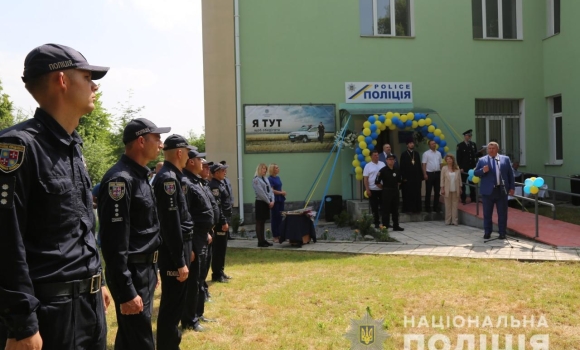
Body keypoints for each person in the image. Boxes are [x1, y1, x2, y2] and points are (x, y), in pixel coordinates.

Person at [0, 43, 110, 350]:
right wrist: (22, 324)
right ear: (62, 80)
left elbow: (81, 225)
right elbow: (7, 240)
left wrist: (95, 278)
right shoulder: (17, 148)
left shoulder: (73, 146)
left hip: (88, 305)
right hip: (50, 314)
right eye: (88, 76)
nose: (95, 85)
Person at [98, 118, 169, 350]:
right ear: (141, 141)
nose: (161, 144)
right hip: (131, 273)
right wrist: (127, 290)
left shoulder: (140, 176)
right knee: (141, 342)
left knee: (131, 339)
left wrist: (153, 268)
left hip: (144, 270)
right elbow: (113, 241)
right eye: (157, 138)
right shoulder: (120, 179)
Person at [152, 134, 194, 347]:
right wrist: (179, 261)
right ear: (179, 152)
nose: (189, 157)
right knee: (171, 306)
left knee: (176, 304)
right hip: (172, 252)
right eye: (187, 152)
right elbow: (170, 224)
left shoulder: (174, 176)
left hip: (181, 246)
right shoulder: (168, 178)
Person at [181, 147, 215, 332]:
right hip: (193, 238)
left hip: (202, 235)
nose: (203, 163)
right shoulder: (185, 182)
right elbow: (186, 214)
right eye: (199, 159)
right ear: (191, 161)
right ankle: (189, 319)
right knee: (194, 280)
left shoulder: (196, 181)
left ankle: (197, 314)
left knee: (200, 277)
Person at [474, 142, 515, 239]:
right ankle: (487, 232)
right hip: (488, 192)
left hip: (501, 190)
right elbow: (476, 173)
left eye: (493, 148)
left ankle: (502, 232)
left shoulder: (505, 159)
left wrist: (512, 187)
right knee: (487, 213)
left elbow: (510, 174)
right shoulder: (482, 160)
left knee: (502, 213)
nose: (491, 150)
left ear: (497, 149)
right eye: (489, 148)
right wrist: (483, 171)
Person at [209, 162, 233, 282]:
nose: (225, 172)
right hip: (220, 222)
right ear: (216, 172)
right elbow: (218, 206)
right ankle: (217, 274)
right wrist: (223, 221)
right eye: (223, 170)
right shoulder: (214, 186)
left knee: (222, 248)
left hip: (225, 219)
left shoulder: (220, 183)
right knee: (218, 248)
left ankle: (221, 272)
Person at [375, 154, 404, 231]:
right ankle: (385, 226)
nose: (391, 161)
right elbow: (377, 182)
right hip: (386, 192)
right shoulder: (383, 170)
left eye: (393, 159)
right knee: (386, 209)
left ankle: (396, 225)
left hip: (395, 191)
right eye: (390, 159)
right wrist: (384, 188)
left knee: (395, 209)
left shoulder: (397, 170)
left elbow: (399, 181)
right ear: (386, 160)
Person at [252, 163, 275, 247]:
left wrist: (272, 200)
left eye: (265, 169)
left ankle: (264, 240)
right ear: (259, 170)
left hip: (267, 202)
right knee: (259, 221)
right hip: (261, 202)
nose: (264, 170)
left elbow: (270, 190)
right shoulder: (256, 180)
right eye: (263, 169)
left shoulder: (265, 179)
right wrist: (269, 202)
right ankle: (260, 241)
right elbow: (261, 193)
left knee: (263, 221)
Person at [363, 150, 385, 228]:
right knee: (374, 207)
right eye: (375, 155)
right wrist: (367, 189)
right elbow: (365, 179)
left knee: (384, 206)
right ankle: (376, 222)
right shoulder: (368, 166)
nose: (377, 156)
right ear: (371, 156)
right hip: (373, 189)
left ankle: (385, 222)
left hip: (382, 189)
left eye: (377, 155)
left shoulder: (382, 164)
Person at [399, 138, 423, 213]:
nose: (412, 144)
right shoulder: (404, 154)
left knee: (416, 193)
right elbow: (402, 167)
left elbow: (419, 165)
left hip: (416, 177)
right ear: (407, 145)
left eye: (412, 143)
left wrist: (420, 176)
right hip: (407, 178)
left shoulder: (416, 153)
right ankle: (408, 209)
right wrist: (404, 177)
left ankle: (417, 209)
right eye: (410, 143)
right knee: (408, 193)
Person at [456, 129, 478, 204]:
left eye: (470, 136)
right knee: (463, 184)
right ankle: (463, 198)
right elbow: (458, 158)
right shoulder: (460, 145)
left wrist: (480, 153)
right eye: (468, 136)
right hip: (464, 168)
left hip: (472, 168)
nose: (469, 137)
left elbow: (475, 155)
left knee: (472, 183)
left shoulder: (473, 144)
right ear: (465, 136)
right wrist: (460, 167)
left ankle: (473, 198)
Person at [440, 154, 462, 225]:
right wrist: (442, 188)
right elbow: (442, 179)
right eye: (447, 159)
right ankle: (448, 220)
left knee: (455, 205)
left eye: (450, 159)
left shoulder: (457, 168)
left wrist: (460, 187)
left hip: (455, 189)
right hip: (447, 189)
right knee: (448, 205)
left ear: (453, 160)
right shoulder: (444, 168)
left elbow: (459, 179)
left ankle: (454, 221)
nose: (449, 160)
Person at [422, 140, 442, 213]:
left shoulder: (439, 153)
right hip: (429, 173)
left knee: (437, 191)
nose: (434, 145)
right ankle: (427, 207)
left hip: (437, 173)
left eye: (434, 143)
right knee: (428, 191)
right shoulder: (426, 154)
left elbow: (440, 164)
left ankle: (436, 207)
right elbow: (424, 164)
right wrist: (424, 174)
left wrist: (441, 173)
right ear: (429, 145)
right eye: (432, 144)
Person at [268, 163, 286, 242]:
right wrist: (280, 193)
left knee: (280, 217)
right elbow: (272, 190)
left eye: (278, 167)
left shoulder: (278, 178)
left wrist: (283, 192)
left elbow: (279, 187)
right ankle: (275, 236)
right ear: (272, 169)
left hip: (280, 199)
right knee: (275, 217)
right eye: (276, 168)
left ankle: (280, 234)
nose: (278, 169)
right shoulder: (270, 178)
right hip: (275, 199)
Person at [220, 160, 236, 240]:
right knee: (224, 217)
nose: (225, 171)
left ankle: (228, 234)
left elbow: (230, 190)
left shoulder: (227, 179)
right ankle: (225, 234)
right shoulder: (220, 180)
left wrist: (232, 201)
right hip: (223, 202)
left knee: (229, 218)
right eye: (223, 169)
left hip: (228, 201)